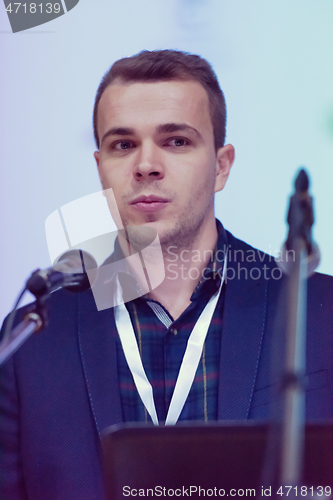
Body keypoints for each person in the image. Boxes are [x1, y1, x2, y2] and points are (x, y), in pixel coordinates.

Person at [0, 50, 332, 500]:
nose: (146, 165)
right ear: (101, 170)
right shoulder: (30, 339)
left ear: (221, 166)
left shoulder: (319, 312)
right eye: (123, 144)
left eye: (176, 141)